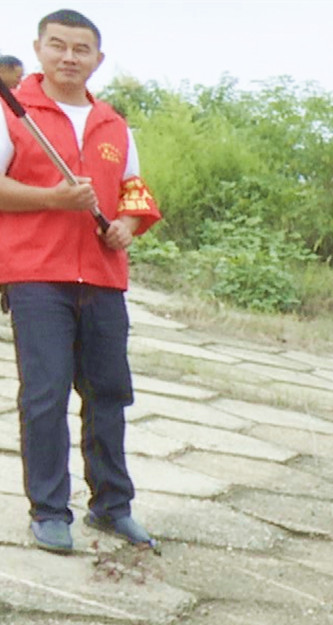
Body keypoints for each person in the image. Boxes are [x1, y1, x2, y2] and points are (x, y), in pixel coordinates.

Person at [0, 9, 160, 553]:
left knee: (108, 394)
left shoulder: (113, 124)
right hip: (36, 273)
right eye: (58, 46)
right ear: (39, 49)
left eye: (81, 49)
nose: (69, 57)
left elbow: (136, 191)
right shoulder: (13, 111)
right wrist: (53, 199)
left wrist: (127, 226)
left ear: (98, 58)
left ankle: (112, 506)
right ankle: (49, 510)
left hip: (102, 275)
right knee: (44, 396)